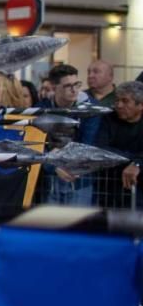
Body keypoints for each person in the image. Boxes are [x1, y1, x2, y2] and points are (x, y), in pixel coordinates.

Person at [37, 63, 99, 205]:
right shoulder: (41, 108)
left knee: (79, 224)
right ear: (54, 88)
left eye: (77, 84)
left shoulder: (90, 108)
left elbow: (87, 143)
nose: (74, 90)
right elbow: (38, 146)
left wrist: (55, 155)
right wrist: (53, 165)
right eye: (67, 86)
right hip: (49, 178)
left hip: (80, 178)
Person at [95, 81, 143, 208]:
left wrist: (138, 164)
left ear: (140, 105)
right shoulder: (108, 118)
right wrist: (135, 161)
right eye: (117, 100)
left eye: (125, 101)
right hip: (110, 186)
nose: (119, 105)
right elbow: (102, 149)